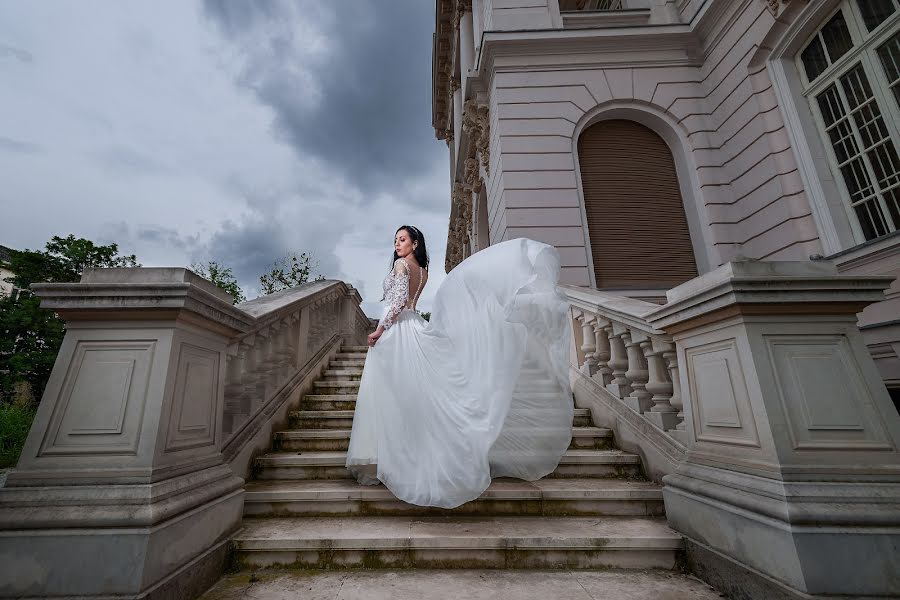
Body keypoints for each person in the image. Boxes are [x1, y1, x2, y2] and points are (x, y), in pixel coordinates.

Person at [345, 225, 573, 509]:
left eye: (402, 239)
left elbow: (398, 302)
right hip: (414, 324)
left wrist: (379, 330)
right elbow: (410, 303)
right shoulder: (423, 272)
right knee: (404, 396)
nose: (397, 244)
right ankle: (403, 452)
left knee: (390, 396)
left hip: (397, 332)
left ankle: (386, 455)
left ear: (414, 244)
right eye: (395, 240)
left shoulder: (402, 266)